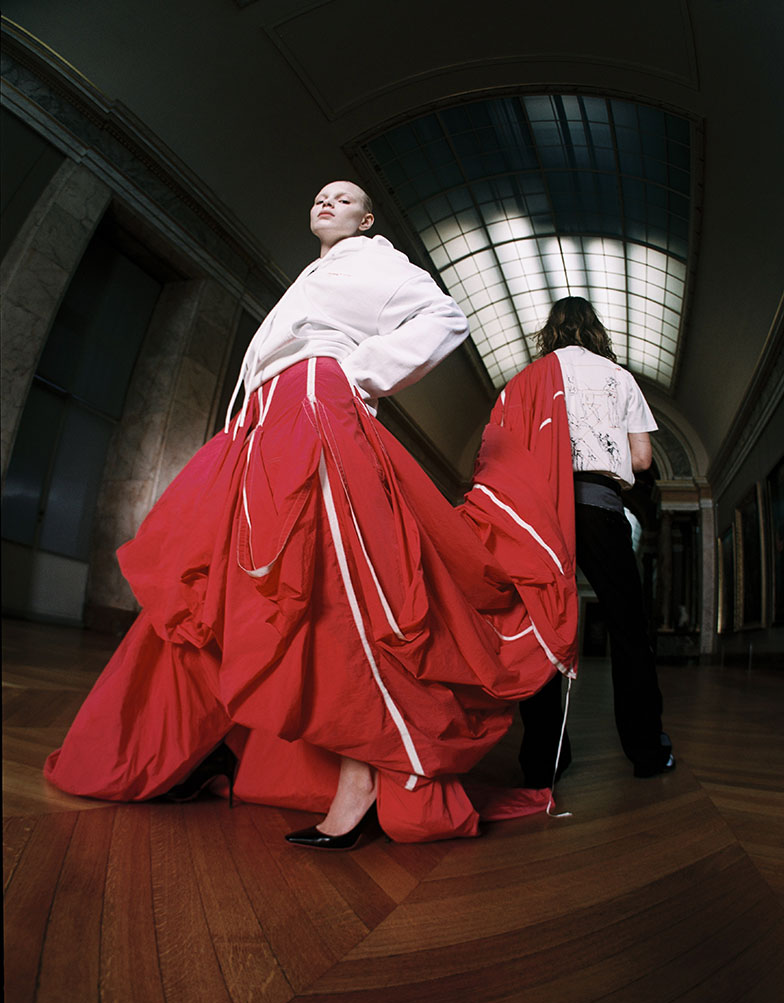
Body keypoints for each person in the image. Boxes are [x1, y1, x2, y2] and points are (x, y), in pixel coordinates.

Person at [45, 181, 578, 846]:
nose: (326, 201)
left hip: (313, 409)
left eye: (344, 196)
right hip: (263, 423)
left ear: (368, 215)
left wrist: (355, 372)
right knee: (220, 588)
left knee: (338, 593)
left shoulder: (375, 261)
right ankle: (201, 743)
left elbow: (446, 319)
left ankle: (360, 777)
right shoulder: (316, 272)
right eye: (320, 196)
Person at [514, 296, 674, 786]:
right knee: (629, 630)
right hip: (602, 509)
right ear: (596, 330)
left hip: (543, 511)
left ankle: (543, 762)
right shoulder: (619, 377)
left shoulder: (531, 378)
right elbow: (643, 460)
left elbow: (508, 448)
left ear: (550, 333)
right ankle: (647, 751)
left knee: (540, 628)